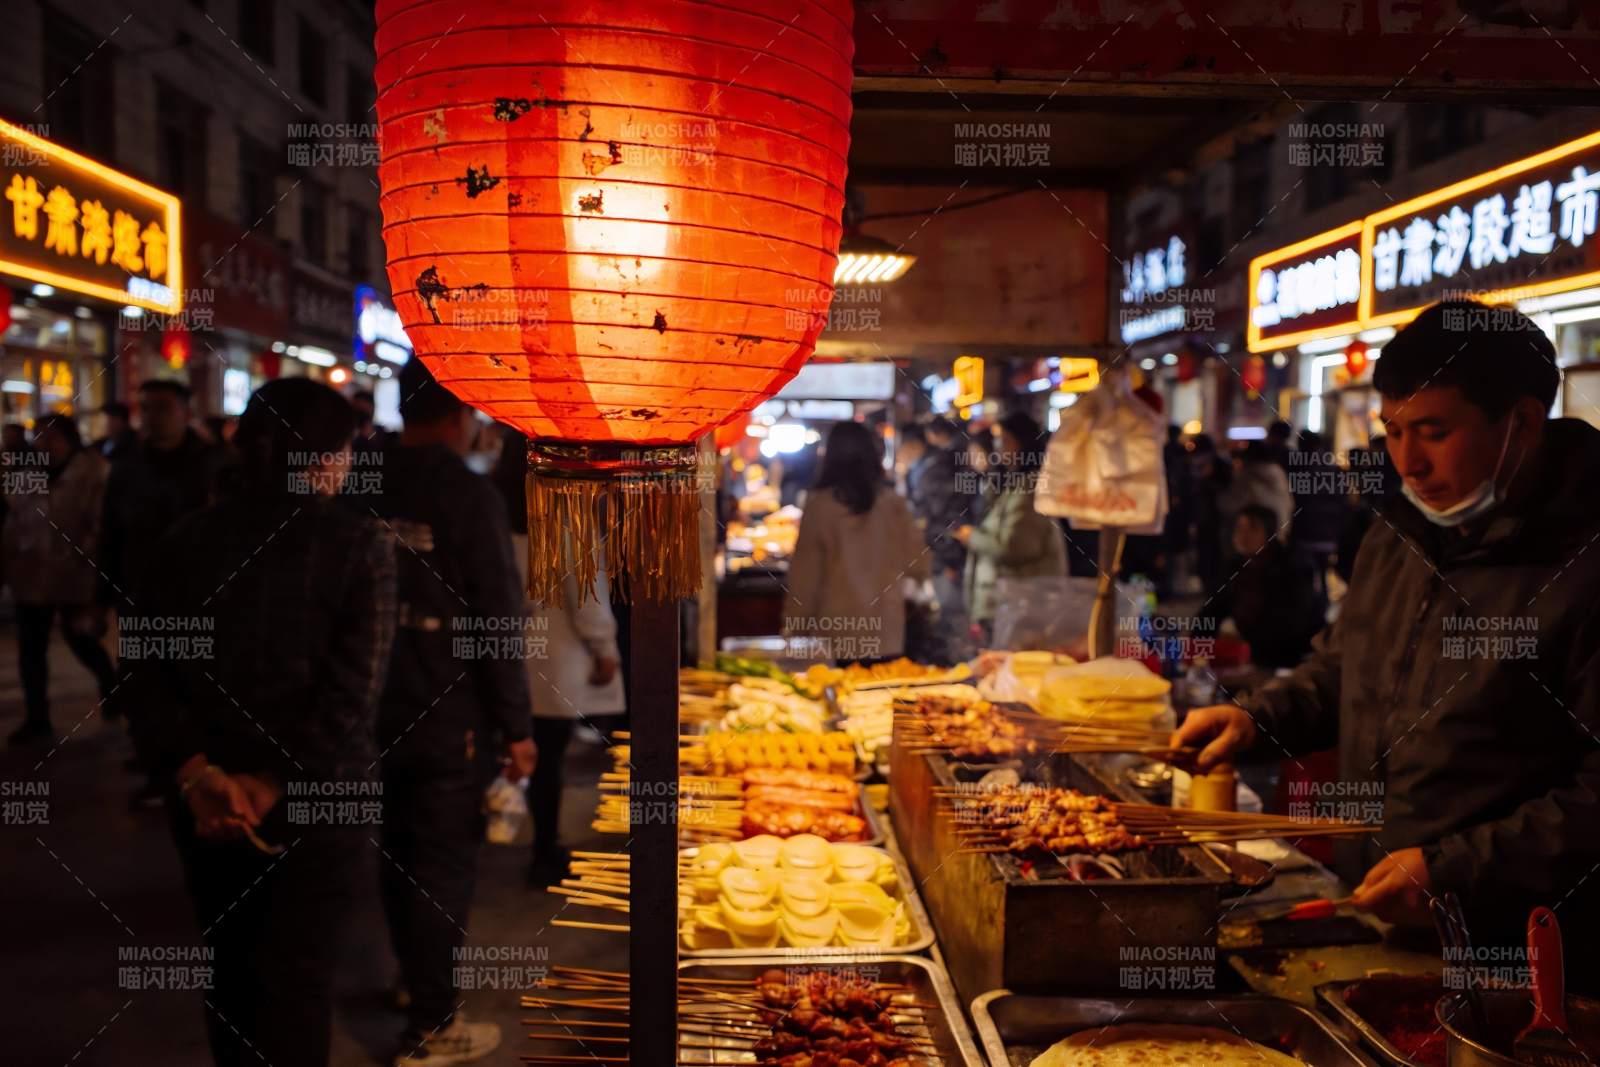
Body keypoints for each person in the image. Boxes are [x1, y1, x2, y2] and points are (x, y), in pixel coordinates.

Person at [1174, 300, 1600, 990]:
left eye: (1434, 432)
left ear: (1521, 422)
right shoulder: (1396, 534)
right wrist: (1258, 718)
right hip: (1375, 925)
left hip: (1518, 965)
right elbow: (1345, 669)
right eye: (1394, 431)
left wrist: (1455, 868)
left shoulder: (1583, 565)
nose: (1409, 461)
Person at [121, 379, 397, 1067]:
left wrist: (197, 774)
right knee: (299, 985)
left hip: (210, 806)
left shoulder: (186, 538)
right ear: (329, 459)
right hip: (321, 805)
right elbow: (351, 695)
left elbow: (145, 672)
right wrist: (274, 782)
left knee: (231, 977)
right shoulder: (360, 544)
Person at [368, 358, 534, 1065]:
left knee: (398, 850)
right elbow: (496, 614)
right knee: (440, 859)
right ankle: (433, 1026)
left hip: (370, 705)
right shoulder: (468, 496)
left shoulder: (360, 482)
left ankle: (418, 979)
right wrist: (518, 727)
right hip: (446, 709)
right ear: (460, 413)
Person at [490, 426, 624, 883]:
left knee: (517, 748)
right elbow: (584, 591)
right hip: (557, 659)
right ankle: (544, 851)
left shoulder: (490, 508)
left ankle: (510, 831)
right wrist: (604, 648)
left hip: (505, 657)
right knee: (547, 758)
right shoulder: (565, 510)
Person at [103, 380, 227, 802]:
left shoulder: (213, 464)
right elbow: (111, 529)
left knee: (189, 681)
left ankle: (189, 767)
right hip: (138, 589)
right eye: (147, 408)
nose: (153, 417)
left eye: (162, 408)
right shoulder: (127, 464)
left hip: (197, 593)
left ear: (185, 412)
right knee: (139, 677)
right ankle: (158, 767)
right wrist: (100, 591)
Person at [3, 414, 115, 745]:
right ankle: (37, 718)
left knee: (81, 641)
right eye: (39, 437)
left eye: (52, 438)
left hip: (74, 577)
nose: (45, 445)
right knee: (31, 649)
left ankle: (111, 686)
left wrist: (94, 575)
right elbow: (13, 524)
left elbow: (99, 528)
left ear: (69, 440)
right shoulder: (26, 476)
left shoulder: (94, 474)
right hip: (31, 577)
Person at [784, 420, 928, 663]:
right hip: (886, 633)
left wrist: (795, 626)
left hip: (835, 635)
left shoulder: (819, 506)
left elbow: (805, 577)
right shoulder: (893, 503)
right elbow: (919, 564)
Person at [956, 412, 1066, 642]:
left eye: (1003, 440)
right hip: (1006, 607)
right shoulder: (1012, 486)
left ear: (1021, 444)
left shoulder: (1029, 490)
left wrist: (971, 537)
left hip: (1020, 609)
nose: (997, 447)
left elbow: (1015, 547)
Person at [1195, 504, 1323, 671]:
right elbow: (1213, 609)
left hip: (1292, 657)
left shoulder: (1292, 566)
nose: (1244, 536)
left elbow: (1294, 621)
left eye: (1253, 529)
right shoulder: (1234, 567)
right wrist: (1197, 646)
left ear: (1269, 534)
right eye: (1239, 529)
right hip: (1251, 654)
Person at [897, 422, 974, 660]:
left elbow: (940, 517)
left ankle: (950, 665)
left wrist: (945, 558)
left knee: (948, 616)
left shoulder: (935, 469)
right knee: (945, 614)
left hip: (944, 555)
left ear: (911, 446)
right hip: (942, 553)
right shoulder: (929, 466)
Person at [1216, 439, 1294, 536]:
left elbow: (1230, 504)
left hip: (1258, 535)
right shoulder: (1278, 472)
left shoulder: (1249, 476)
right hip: (1281, 530)